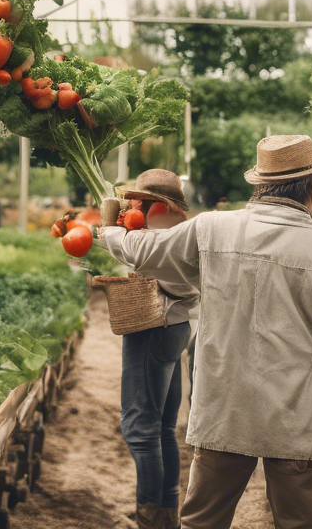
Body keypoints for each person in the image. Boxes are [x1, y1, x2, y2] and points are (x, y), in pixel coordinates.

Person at [99, 135, 312, 529]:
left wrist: (108, 229)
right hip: (295, 420)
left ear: (259, 183)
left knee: (202, 522)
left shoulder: (211, 229)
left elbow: (145, 251)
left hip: (224, 414)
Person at [102, 169, 198, 529]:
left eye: (138, 200)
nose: (132, 205)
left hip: (152, 329)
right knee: (163, 429)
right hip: (174, 329)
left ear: (157, 204)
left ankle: (150, 518)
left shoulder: (158, 234)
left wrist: (107, 219)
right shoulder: (176, 229)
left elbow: (126, 246)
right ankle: (166, 513)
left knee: (141, 431)